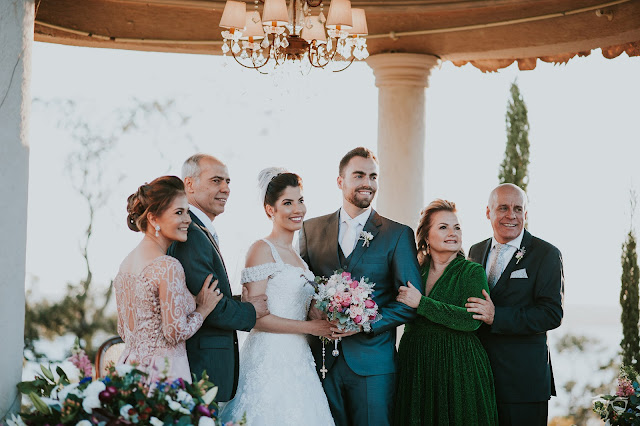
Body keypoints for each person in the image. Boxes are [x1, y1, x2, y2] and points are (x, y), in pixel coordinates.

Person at [299, 147, 423, 426]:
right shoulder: (310, 229)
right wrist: (311, 308)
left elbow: (410, 304)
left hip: (373, 366)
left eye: (373, 176)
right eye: (359, 175)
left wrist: (365, 322)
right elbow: (302, 286)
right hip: (321, 364)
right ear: (340, 180)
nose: (367, 182)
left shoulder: (398, 234)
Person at [220, 168, 335, 425]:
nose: (298, 209)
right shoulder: (261, 249)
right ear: (270, 209)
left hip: (299, 359)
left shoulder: (299, 258)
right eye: (288, 203)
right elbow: (256, 319)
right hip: (269, 358)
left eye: (300, 200)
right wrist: (312, 327)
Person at [167, 154, 270, 403]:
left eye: (227, 181)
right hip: (201, 367)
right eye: (216, 181)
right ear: (189, 185)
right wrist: (250, 310)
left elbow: (209, 297)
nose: (225, 189)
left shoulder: (201, 232)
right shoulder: (190, 233)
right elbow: (211, 308)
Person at [465, 183, 564, 426]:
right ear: (488, 212)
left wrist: (496, 316)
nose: (511, 215)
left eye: (518, 209)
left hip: (524, 384)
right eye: (503, 208)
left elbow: (551, 314)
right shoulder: (475, 251)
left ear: (526, 214)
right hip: (481, 379)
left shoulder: (546, 254)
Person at [394, 199, 498, 425]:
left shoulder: (472, 271)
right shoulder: (414, 270)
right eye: (443, 227)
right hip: (416, 365)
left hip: (458, 366)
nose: (453, 233)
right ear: (426, 236)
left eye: (457, 227)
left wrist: (421, 303)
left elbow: (471, 320)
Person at [114, 176, 223, 383]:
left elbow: (123, 329)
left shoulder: (125, 265)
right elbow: (175, 332)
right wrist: (203, 309)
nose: (188, 220)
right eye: (179, 212)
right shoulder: (167, 266)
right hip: (163, 374)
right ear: (154, 219)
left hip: (129, 372)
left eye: (187, 212)